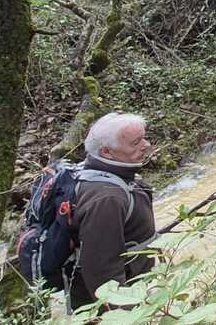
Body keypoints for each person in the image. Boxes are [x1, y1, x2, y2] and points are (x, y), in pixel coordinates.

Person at [69, 112, 157, 310]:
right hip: (120, 303)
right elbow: (103, 275)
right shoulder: (107, 200)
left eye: (144, 138)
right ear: (107, 152)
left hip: (138, 287)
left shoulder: (113, 175)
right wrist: (127, 316)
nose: (146, 145)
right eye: (135, 143)